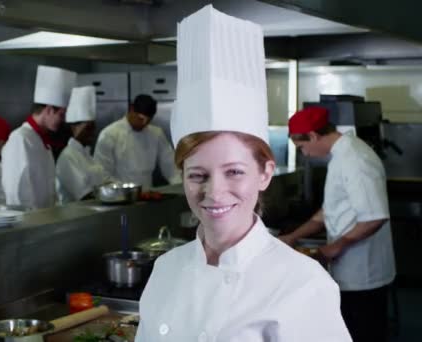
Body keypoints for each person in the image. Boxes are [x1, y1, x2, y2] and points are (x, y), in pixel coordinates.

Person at [135, 6, 351, 341]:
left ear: (265, 173)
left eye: (234, 171)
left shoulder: (302, 282)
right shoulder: (166, 269)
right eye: (197, 175)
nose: (214, 192)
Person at [279, 106, 396, 342]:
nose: (307, 154)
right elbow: (330, 209)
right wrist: (293, 237)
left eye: (303, 148)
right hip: (349, 270)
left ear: (313, 135)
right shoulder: (341, 157)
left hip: (364, 272)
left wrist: (336, 247)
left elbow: (375, 216)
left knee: (364, 332)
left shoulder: (355, 158)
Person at [2, 65, 76, 209]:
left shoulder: (42, 141)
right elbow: (15, 191)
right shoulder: (20, 139)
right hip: (28, 222)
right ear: (48, 110)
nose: (64, 120)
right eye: (61, 114)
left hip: (43, 219)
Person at [93, 94, 180, 188]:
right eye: (141, 119)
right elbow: (102, 174)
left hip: (147, 195)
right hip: (120, 196)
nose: (144, 123)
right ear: (131, 109)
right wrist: (126, 192)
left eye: (148, 120)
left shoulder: (156, 134)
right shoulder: (109, 135)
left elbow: (171, 168)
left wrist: (181, 187)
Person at [56, 86, 114, 203]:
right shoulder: (68, 157)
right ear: (74, 127)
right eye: (88, 128)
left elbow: (106, 181)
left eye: (93, 128)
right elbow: (84, 195)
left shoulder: (86, 155)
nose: (93, 133)